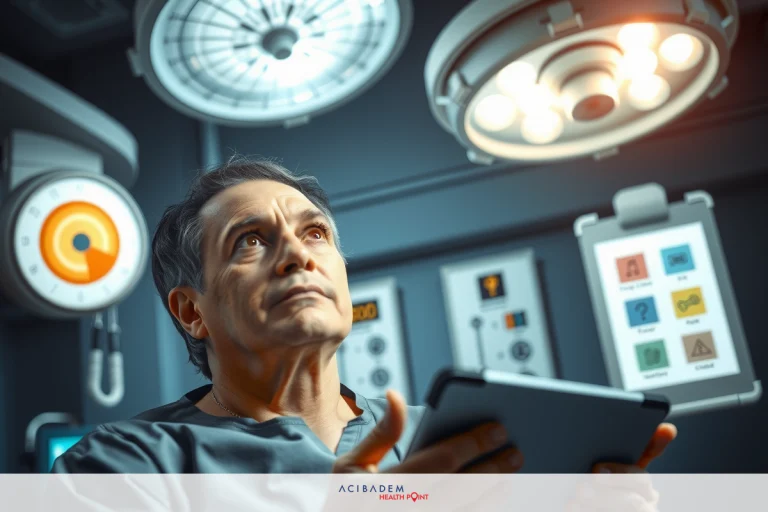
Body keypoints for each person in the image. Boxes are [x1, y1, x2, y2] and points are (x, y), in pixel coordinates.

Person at [53, 158, 676, 476]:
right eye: (250, 240)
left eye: (315, 233)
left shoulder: (458, 443)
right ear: (193, 311)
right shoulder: (125, 463)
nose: (298, 254)